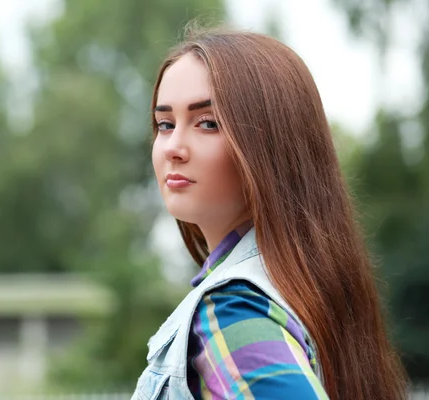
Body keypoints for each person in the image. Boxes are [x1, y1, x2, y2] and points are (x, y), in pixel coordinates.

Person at [131, 27, 408, 400]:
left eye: (208, 123)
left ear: (271, 146)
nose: (173, 148)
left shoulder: (233, 311)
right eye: (165, 124)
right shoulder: (308, 290)